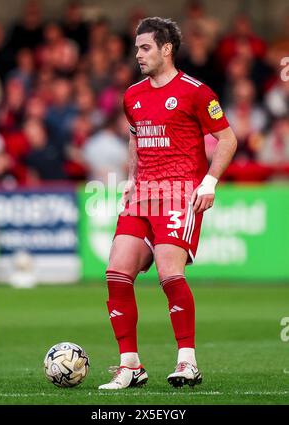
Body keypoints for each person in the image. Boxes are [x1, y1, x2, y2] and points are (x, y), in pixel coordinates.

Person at [98, 17, 237, 390]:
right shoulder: (133, 95)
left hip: (179, 194)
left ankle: (187, 362)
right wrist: (130, 178)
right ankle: (131, 366)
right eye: (137, 47)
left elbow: (227, 140)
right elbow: (135, 137)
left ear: (166, 49)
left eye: (145, 47)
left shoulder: (196, 92)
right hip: (142, 195)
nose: (138, 54)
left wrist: (209, 182)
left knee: (168, 273)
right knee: (116, 272)